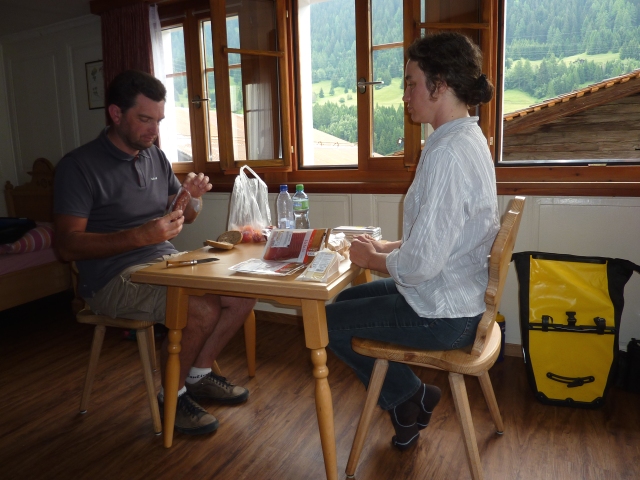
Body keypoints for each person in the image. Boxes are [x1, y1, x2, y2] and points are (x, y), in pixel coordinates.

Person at [54, 70, 256, 436]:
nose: (154, 130)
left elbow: (185, 217)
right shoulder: (78, 167)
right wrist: (137, 237)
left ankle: (198, 374)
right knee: (200, 308)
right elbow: (66, 245)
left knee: (243, 290)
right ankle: (173, 398)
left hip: (164, 260)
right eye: (144, 119)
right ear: (116, 114)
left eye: (158, 120)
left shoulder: (155, 157)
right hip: (111, 279)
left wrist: (190, 199)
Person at [325, 32, 500, 451]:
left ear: (438, 85)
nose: (405, 94)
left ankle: (408, 398)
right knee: (346, 304)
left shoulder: (447, 154)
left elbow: (422, 264)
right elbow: (441, 239)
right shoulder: (465, 138)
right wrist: (385, 249)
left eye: (410, 82)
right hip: (457, 295)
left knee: (327, 324)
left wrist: (375, 257)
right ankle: (413, 396)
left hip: (445, 315)